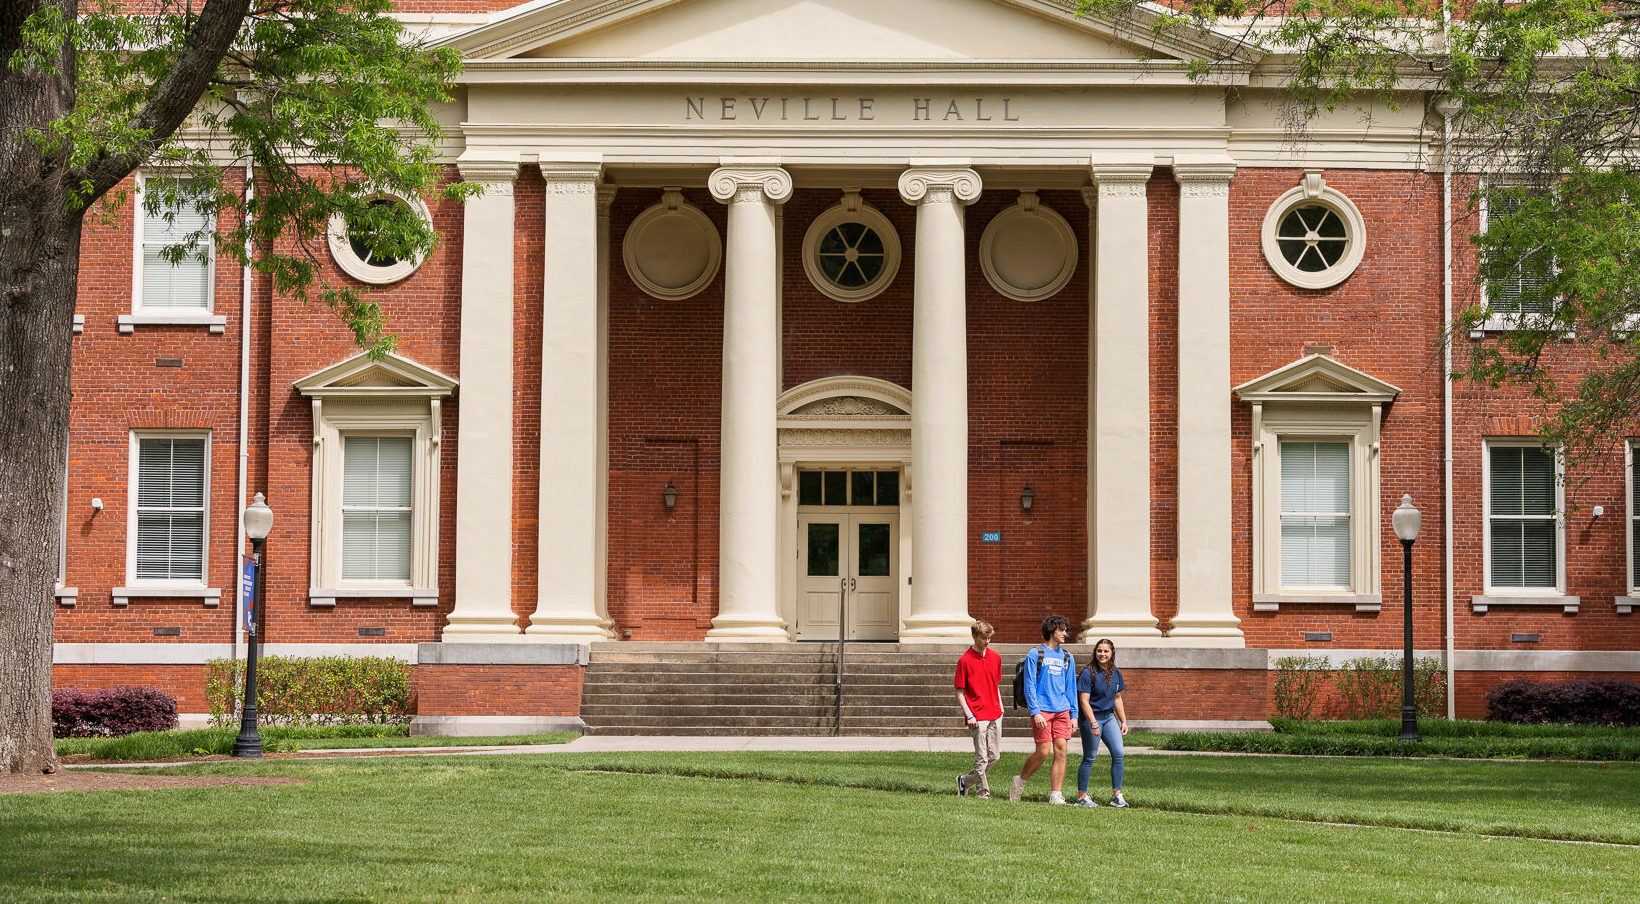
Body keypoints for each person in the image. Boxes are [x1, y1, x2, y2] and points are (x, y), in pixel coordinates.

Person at [1009, 615, 1078, 804]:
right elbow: (1029, 685)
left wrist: (1074, 715)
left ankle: (1056, 794)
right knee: (1043, 751)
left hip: (1062, 709)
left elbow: (1071, 687)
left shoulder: (1067, 657)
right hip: (1042, 710)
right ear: (1051, 630)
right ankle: (1020, 781)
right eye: (1061, 630)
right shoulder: (1035, 654)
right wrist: (1035, 711)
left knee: (1061, 749)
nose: (1065, 633)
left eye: (1065, 630)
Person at [1074, 638, 1130, 808]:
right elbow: (1084, 702)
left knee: (1118, 753)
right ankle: (1082, 797)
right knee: (1090, 757)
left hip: (1109, 717)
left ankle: (1117, 796)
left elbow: (1117, 697)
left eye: (1106, 651)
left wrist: (1123, 721)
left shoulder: (1115, 672)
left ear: (1112, 653)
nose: (1102, 654)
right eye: (1099, 650)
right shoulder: (1087, 673)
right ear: (1095, 652)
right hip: (1092, 717)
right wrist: (1093, 723)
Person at [953, 620, 1004, 798]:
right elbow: (959, 692)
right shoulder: (964, 660)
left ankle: (964, 781)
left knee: (994, 757)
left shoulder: (996, 658)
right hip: (976, 715)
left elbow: (995, 684)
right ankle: (983, 793)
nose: (987, 642)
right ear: (974, 636)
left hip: (995, 713)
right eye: (983, 638)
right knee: (981, 758)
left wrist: (1001, 708)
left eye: (989, 638)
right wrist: (969, 715)